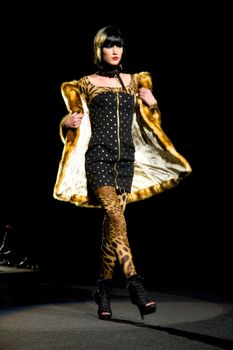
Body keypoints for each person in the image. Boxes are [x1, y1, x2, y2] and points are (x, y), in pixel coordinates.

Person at [53, 26, 192, 320]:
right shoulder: (84, 84)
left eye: (119, 46)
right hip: (98, 159)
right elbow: (73, 129)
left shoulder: (132, 82)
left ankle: (102, 290)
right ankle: (134, 283)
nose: (115, 51)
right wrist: (65, 123)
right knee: (116, 216)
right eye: (109, 46)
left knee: (111, 225)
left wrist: (153, 105)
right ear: (99, 50)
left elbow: (147, 125)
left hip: (125, 162)